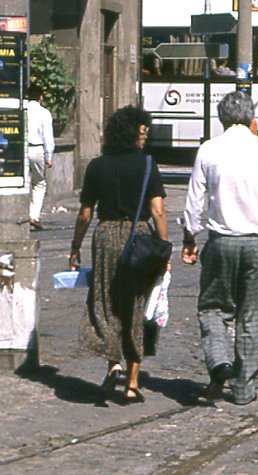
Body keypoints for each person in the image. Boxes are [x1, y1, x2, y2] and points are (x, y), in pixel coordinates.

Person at [181, 91, 258, 406]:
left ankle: (219, 364)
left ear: (222, 119)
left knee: (212, 308)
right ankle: (244, 389)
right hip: (257, 245)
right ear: (250, 118)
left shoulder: (208, 150)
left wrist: (190, 237)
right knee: (249, 317)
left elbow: (194, 201)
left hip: (221, 243)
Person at [69, 106, 170, 404]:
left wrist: (75, 246)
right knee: (136, 305)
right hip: (138, 238)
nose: (145, 137)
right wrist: (163, 249)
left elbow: (85, 215)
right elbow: (158, 211)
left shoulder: (96, 166)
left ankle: (112, 363)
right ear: (132, 133)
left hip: (104, 236)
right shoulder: (147, 164)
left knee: (104, 300)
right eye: (142, 132)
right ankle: (133, 383)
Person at [26, 85, 55, 230]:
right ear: (40, 97)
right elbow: (47, 136)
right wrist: (49, 156)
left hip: (22, 149)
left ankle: (22, 214)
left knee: (24, 183)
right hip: (37, 149)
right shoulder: (44, 112)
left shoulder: (22, 110)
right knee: (39, 183)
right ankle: (34, 215)